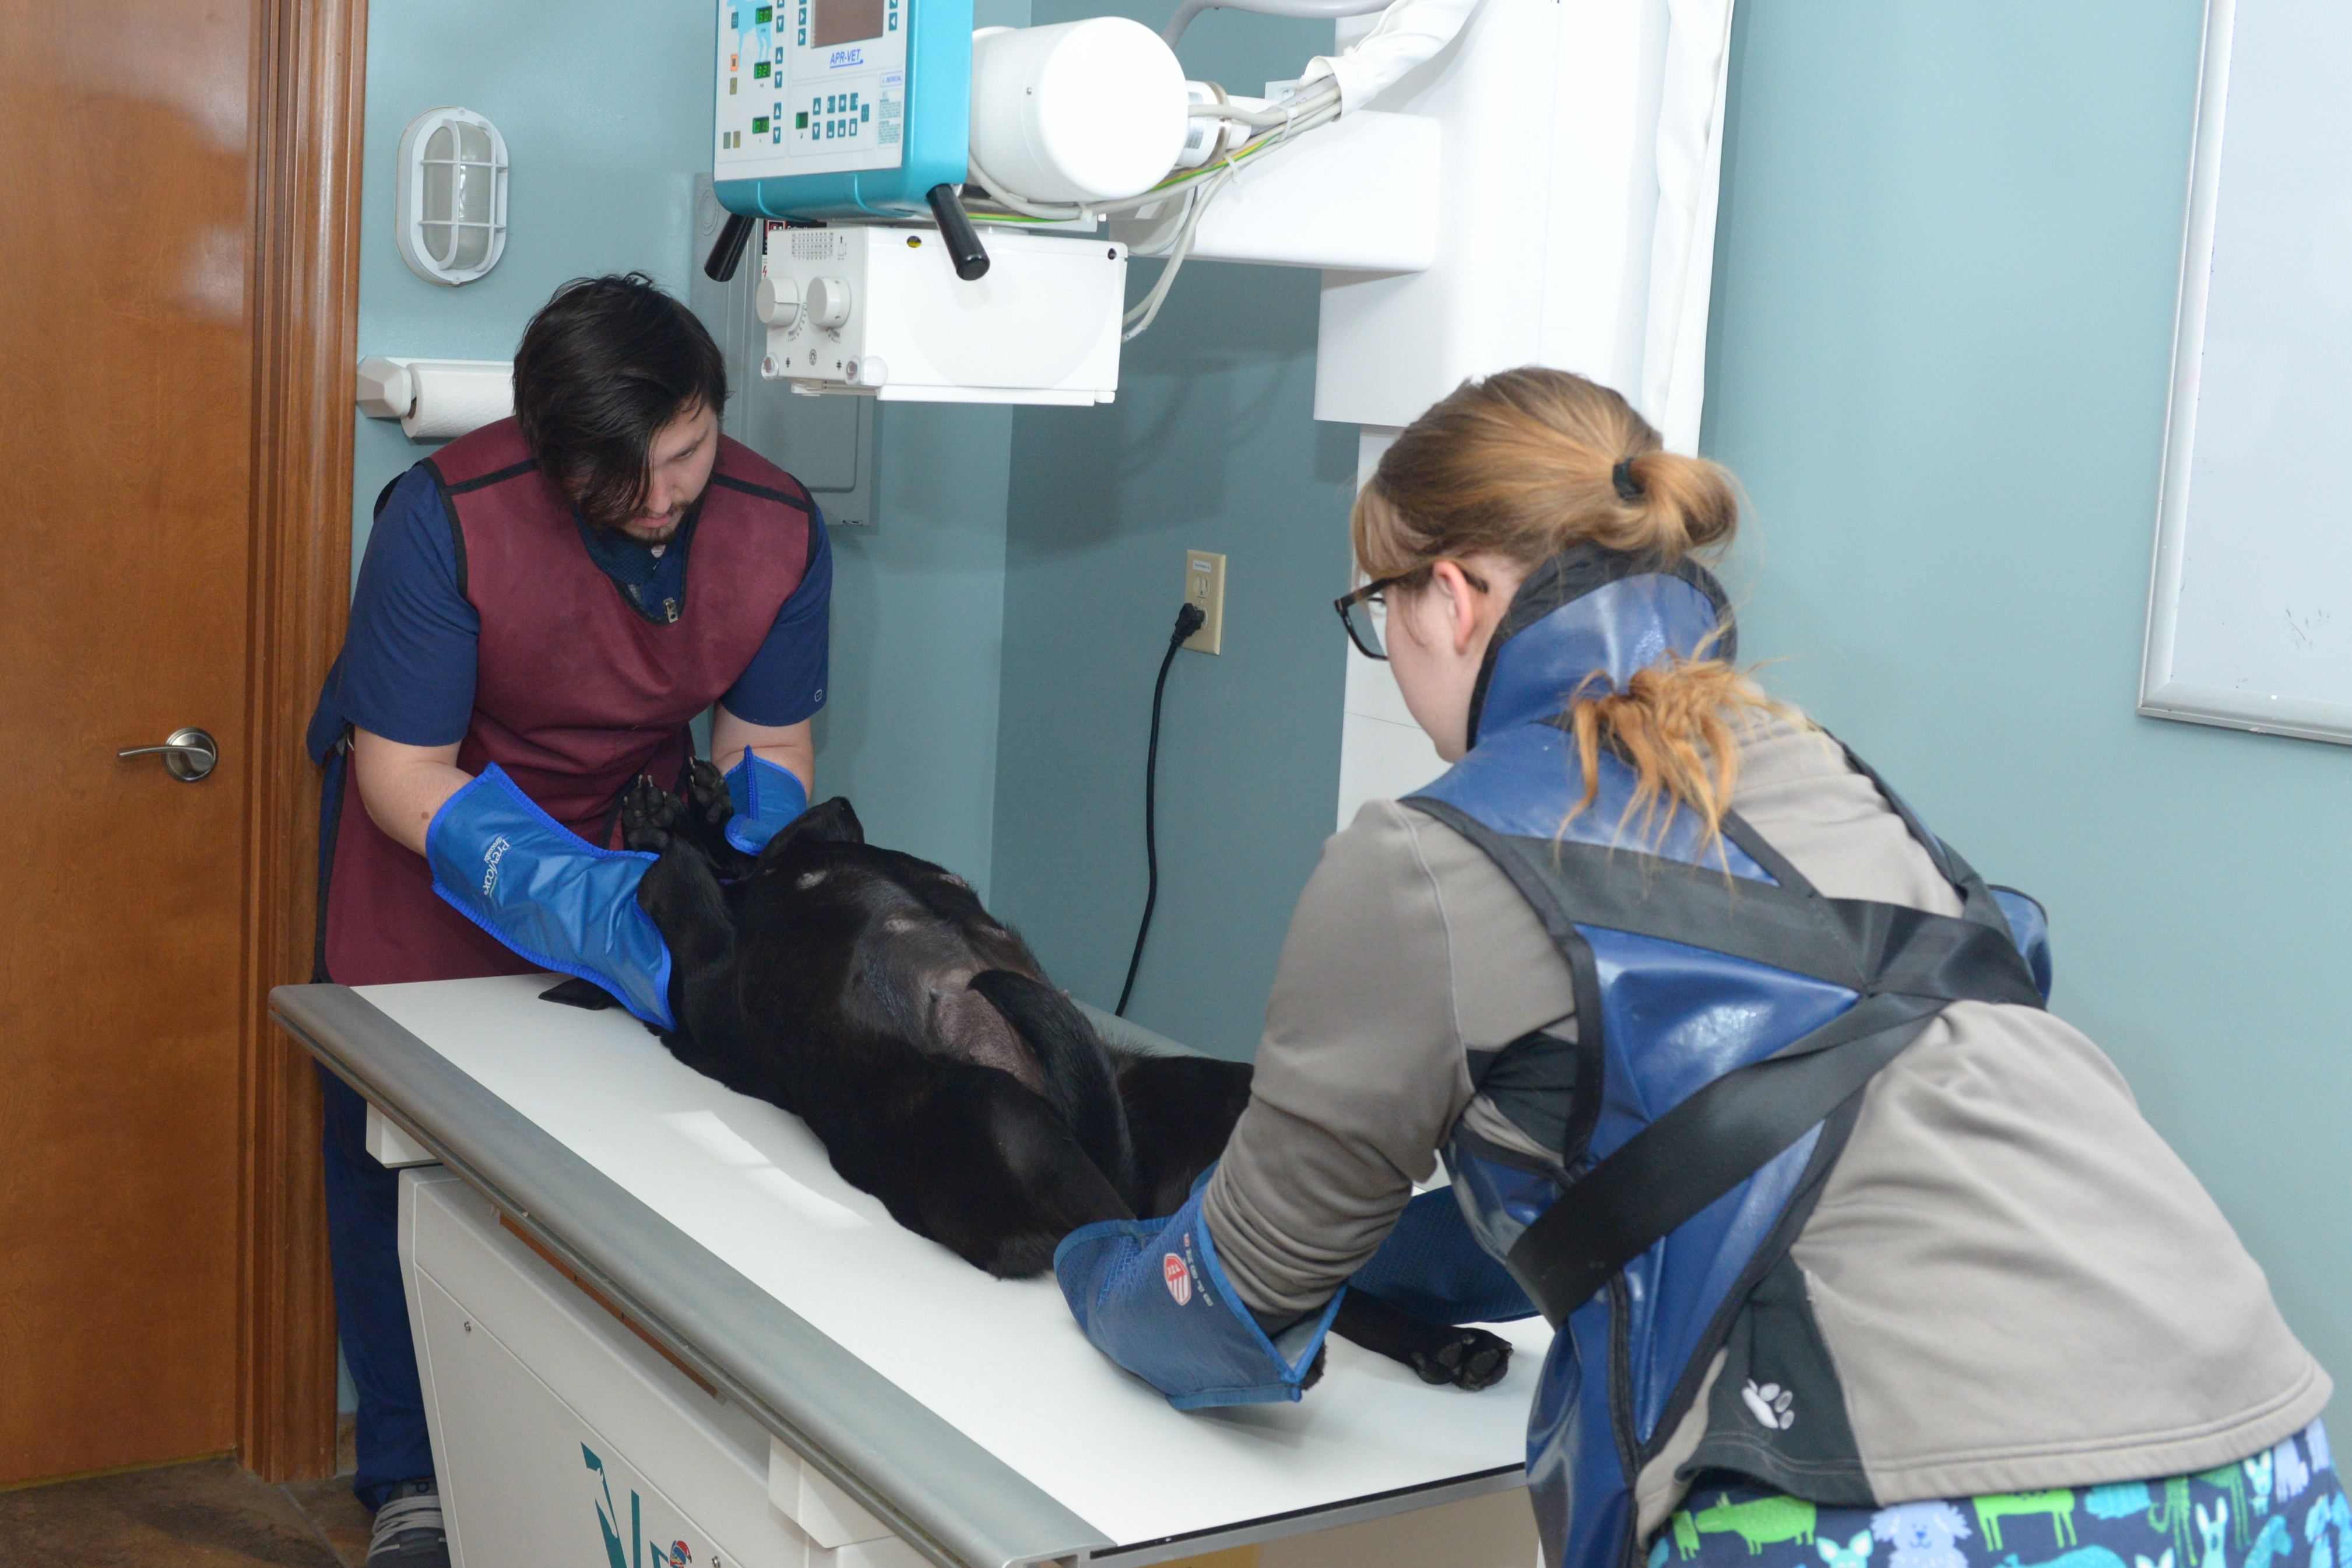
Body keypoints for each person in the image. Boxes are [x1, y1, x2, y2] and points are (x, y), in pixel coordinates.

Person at [1054, 368, 2336, 1568]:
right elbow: (1671, 1169)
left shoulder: (1424, 856)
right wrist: (1386, 1256)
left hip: (1911, 1500)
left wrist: (1090, 1256)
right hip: (2266, 1461)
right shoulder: (1813, 767)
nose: (1387, 644)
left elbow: (1226, 1301)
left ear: (1449, 597)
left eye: (1376, 607)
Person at [305, 274, 829, 1567]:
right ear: (548, 455)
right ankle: (413, 1474)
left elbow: (766, 744)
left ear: (712, 408)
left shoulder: (775, 525)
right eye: (620, 479)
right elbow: (401, 773)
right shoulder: (444, 519)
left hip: (630, 826)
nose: (661, 500)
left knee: (611, 1143)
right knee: (393, 1145)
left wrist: (745, 860)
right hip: (435, 829)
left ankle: (570, 1443)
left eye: (686, 455)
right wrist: (567, 894)